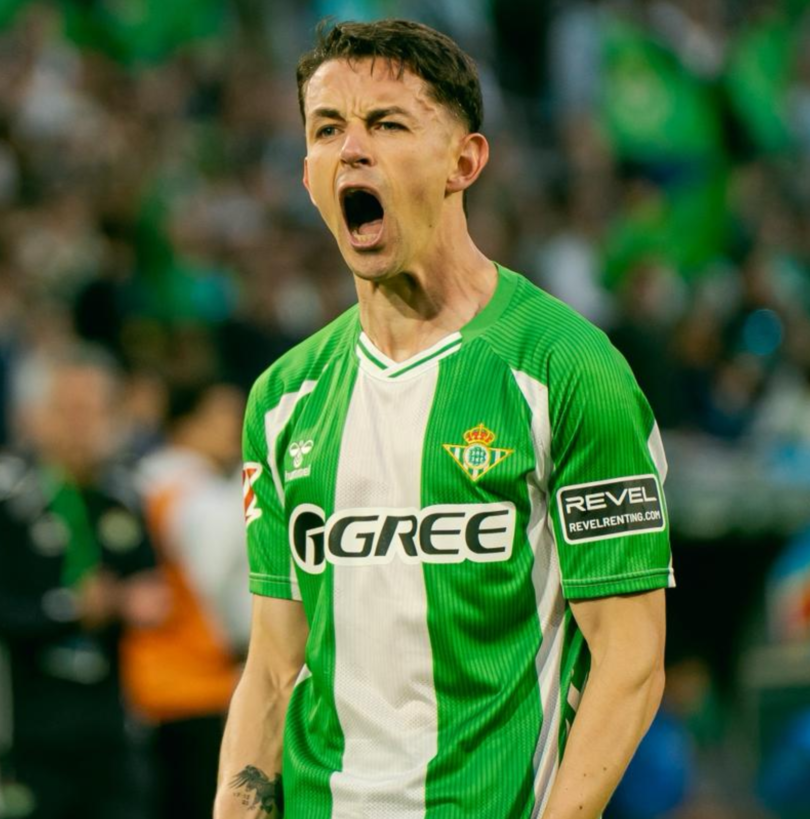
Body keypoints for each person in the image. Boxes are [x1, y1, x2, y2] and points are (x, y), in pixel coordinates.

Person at [214, 19, 673, 819]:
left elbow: (630, 660)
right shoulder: (282, 399)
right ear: (307, 175)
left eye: (387, 124)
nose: (352, 151)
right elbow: (274, 668)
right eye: (327, 130)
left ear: (464, 161)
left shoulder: (568, 369)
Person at [0, 348, 166, 819]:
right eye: (68, 410)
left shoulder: (124, 494)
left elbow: (150, 591)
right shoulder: (6, 496)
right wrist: (72, 609)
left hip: (113, 725)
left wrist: (137, 602)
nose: (82, 425)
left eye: (94, 411)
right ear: (39, 416)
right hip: (32, 727)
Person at [123, 380, 250, 819]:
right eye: (222, 414)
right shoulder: (197, 492)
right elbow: (214, 585)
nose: (236, 426)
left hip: (150, 678)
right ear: (185, 423)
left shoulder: (142, 480)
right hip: (196, 677)